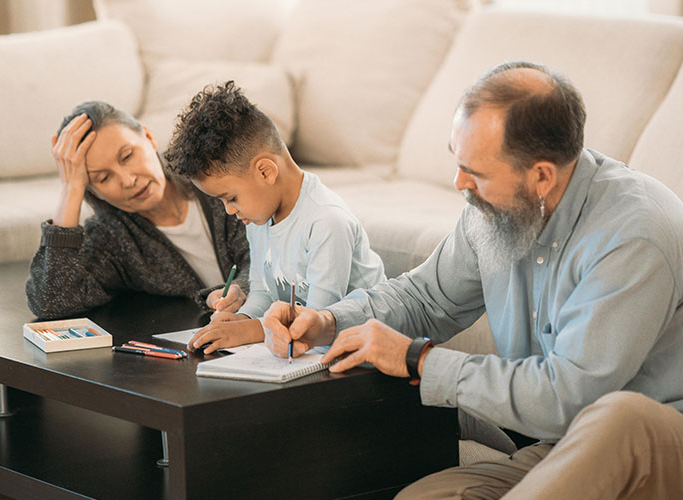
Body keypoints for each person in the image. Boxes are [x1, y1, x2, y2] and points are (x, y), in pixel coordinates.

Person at [262, 61, 683, 498]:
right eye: (458, 162)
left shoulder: (634, 233)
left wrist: (418, 360)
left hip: (651, 446)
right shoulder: (495, 213)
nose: (459, 183)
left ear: (541, 176)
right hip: (560, 446)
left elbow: (569, 396)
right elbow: (426, 299)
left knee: (620, 416)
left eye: (476, 173)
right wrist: (328, 321)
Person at [164, 81, 386, 354]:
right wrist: (241, 318)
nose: (229, 211)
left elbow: (319, 321)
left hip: (367, 356)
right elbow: (263, 292)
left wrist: (249, 330)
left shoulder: (327, 222)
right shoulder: (260, 219)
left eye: (230, 198)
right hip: (316, 354)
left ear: (266, 172)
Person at [26, 101, 250, 319]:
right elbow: (52, 302)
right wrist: (71, 189)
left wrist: (240, 288)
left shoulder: (210, 173)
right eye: (103, 178)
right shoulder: (111, 237)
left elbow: (265, 253)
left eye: (127, 156)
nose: (128, 180)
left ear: (149, 137)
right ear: (94, 191)